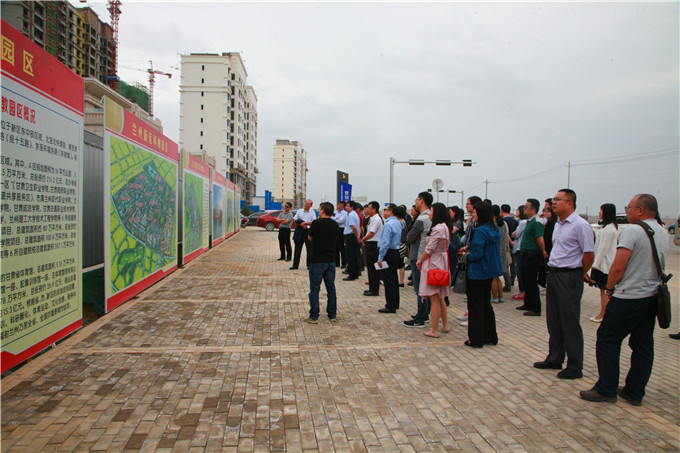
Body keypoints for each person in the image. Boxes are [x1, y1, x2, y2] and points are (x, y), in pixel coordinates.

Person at [580, 194, 669, 406]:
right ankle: (635, 391)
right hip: (650, 297)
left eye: (629, 207)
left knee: (608, 339)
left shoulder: (633, 231)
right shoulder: (662, 231)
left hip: (628, 297)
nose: (627, 211)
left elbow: (618, 267)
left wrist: (609, 290)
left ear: (641, 210)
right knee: (643, 345)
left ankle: (606, 389)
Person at [534, 189, 594, 380]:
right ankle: (555, 357)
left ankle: (575, 365)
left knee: (569, 321)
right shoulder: (558, 225)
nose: (554, 203)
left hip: (570, 276)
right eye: (554, 199)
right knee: (554, 319)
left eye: (558, 200)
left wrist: (580, 273)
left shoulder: (580, 225)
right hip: (554, 274)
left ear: (570, 203)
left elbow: (589, 254)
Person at [461, 201, 502, 347]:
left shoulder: (480, 231)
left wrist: (465, 256)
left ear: (481, 213)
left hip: (477, 272)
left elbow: (477, 254)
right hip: (489, 271)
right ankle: (490, 336)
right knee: (486, 304)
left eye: (474, 212)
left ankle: (476, 339)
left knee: (475, 307)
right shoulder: (494, 229)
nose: (472, 215)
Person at [416, 203, 452, 338]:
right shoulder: (445, 227)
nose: (429, 214)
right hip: (441, 263)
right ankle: (445, 325)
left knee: (434, 298)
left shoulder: (437, 228)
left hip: (433, 264)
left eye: (431, 211)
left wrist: (420, 261)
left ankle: (434, 330)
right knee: (440, 296)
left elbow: (429, 249)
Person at [303, 202, 338, 324]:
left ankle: (314, 316)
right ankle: (332, 314)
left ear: (322, 211)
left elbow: (310, 237)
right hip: (331, 260)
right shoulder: (335, 224)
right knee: (331, 288)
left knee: (315, 288)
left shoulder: (316, 223)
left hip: (317, 260)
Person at [403, 192, 433, 327]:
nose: (415, 202)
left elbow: (408, 237)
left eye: (416, 199)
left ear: (421, 201)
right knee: (426, 288)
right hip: (427, 256)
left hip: (418, 256)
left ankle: (420, 317)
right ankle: (425, 314)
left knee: (420, 289)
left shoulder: (422, 219)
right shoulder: (430, 217)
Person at [588, 203, 618, 322]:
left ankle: (603, 315)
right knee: (603, 290)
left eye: (601, 210)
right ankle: (604, 313)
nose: (599, 212)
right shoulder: (606, 227)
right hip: (602, 264)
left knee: (604, 291)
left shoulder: (609, 229)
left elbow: (603, 249)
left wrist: (595, 265)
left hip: (605, 265)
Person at [518, 198, 547, 316]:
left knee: (531, 281)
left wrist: (543, 251)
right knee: (526, 280)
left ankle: (536, 308)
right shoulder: (529, 221)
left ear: (533, 209)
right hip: (526, 254)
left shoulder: (537, 222)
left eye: (526, 207)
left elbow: (540, 239)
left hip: (533, 254)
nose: (524, 209)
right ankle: (527, 303)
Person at [377, 204, 402, 313]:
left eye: (386, 210)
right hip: (395, 252)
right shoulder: (397, 222)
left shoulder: (388, 225)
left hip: (388, 253)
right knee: (394, 279)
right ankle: (395, 303)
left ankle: (390, 306)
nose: (384, 211)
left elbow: (385, 243)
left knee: (388, 280)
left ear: (391, 212)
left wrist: (380, 257)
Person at [361, 201, 383, 297]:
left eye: (369, 208)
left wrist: (364, 239)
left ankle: (374, 290)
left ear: (374, 209)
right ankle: (372, 288)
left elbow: (372, 233)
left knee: (373, 269)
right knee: (370, 268)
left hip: (374, 245)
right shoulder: (372, 218)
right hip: (370, 244)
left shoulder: (377, 219)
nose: (367, 210)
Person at [490, 205, 509, 304]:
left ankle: (494, 297)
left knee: (493, 276)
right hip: (502, 252)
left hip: (494, 252)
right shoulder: (503, 223)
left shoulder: (493, 224)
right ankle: (501, 296)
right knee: (497, 277)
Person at [290, 200, 317, 270]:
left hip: (308, 231)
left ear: (311, 206)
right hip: (300, 231)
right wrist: (301, 225)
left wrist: (305, 223)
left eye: (308, 204)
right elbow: (294, 220)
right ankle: (295, 265)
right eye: (306, 203)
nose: (306, 205)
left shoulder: (312, 212)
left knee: (310, 249)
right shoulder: (299, 211)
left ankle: (309, 265)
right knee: (297, 249)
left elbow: (313, 221)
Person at [511, 206, 527, 301]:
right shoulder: (521, 222)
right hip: (518, 248)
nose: (516, 212)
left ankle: (522, 292)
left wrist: (514, 233)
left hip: (519, 248)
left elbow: (516, 234)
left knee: (520, 271)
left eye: (517, 210)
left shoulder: (523, 222)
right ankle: (522, 291)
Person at [501, 204, 519, 291]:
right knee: (513, 264)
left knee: (505, 265)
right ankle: (512, 280)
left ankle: (507, 283)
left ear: (502, 211)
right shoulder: (515, 220)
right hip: (514, 244)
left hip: (507, 245)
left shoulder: (503, 221)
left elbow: (506, 233)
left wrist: (510, 242)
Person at [342, 201, 361, 281]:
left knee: (350, 256)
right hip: (353, 236)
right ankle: (356, 273)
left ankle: (352, 275)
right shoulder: (355, 215)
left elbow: (353, 227)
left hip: (351, 237)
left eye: (347, 206)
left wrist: (357, 237)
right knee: (354, 255)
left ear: (352, 207)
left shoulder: (351, 215)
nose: (346, 207)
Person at [331, 201, 347, 268]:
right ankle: (336, 263)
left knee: (341, 247)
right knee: (335, 247)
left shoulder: (344, 213)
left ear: (343, 207)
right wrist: (335, 218)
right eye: (338, 205)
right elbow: (331, 218)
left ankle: (344, 263)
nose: (339, 206)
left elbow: (340, 221)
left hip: (341, 230)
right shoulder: (335, 212)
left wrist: (333, 218)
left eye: (340, 205)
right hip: (335, 230)